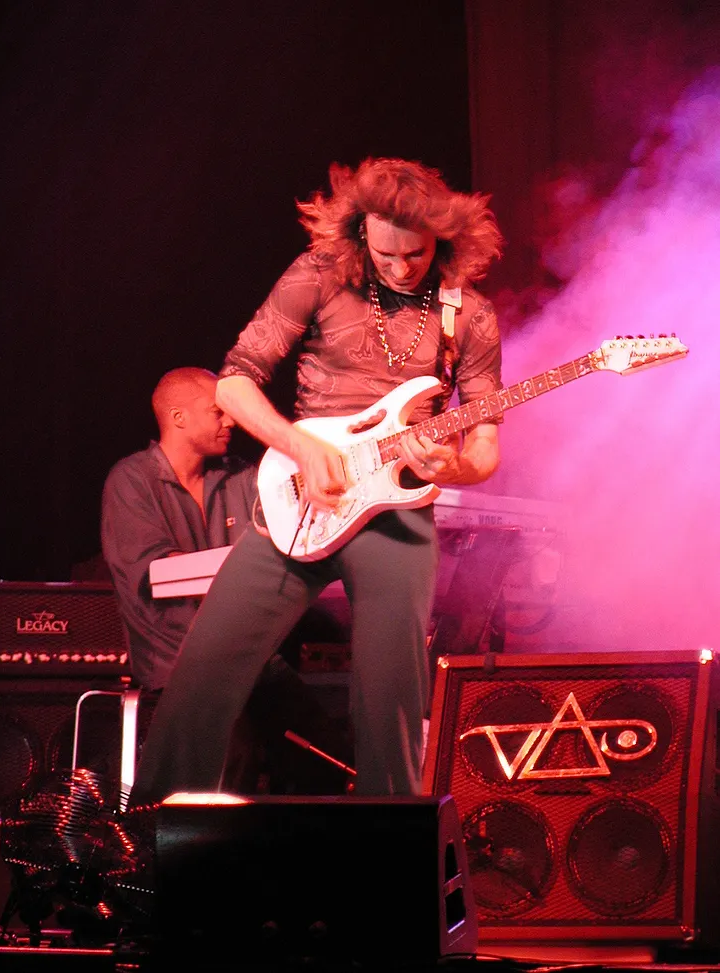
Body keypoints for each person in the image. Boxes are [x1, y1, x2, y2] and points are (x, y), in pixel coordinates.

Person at [128, 157, 504, 807]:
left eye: (414, 254)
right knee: (203, 678)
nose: (398, 266)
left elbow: (486, 440)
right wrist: (296, 443)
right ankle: (148, 851)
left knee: (390, 699)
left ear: (442, 237)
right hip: (301, 498)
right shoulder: (321, 275)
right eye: (385, 252)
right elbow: (235, 382)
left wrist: (464, 465)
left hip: (395, 512)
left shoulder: (467, 314)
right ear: (362, 232)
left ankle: (386, 866)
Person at [102, 366, 349, 794]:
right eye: (217, 412)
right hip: (179, 667)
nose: (231, 420)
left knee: (328, 759)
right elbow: (159, 573)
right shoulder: (131, 480)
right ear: (179, 418)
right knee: (233, 759)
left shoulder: (240, 477)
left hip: (256, 664)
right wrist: (257, 566)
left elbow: (295, 527)